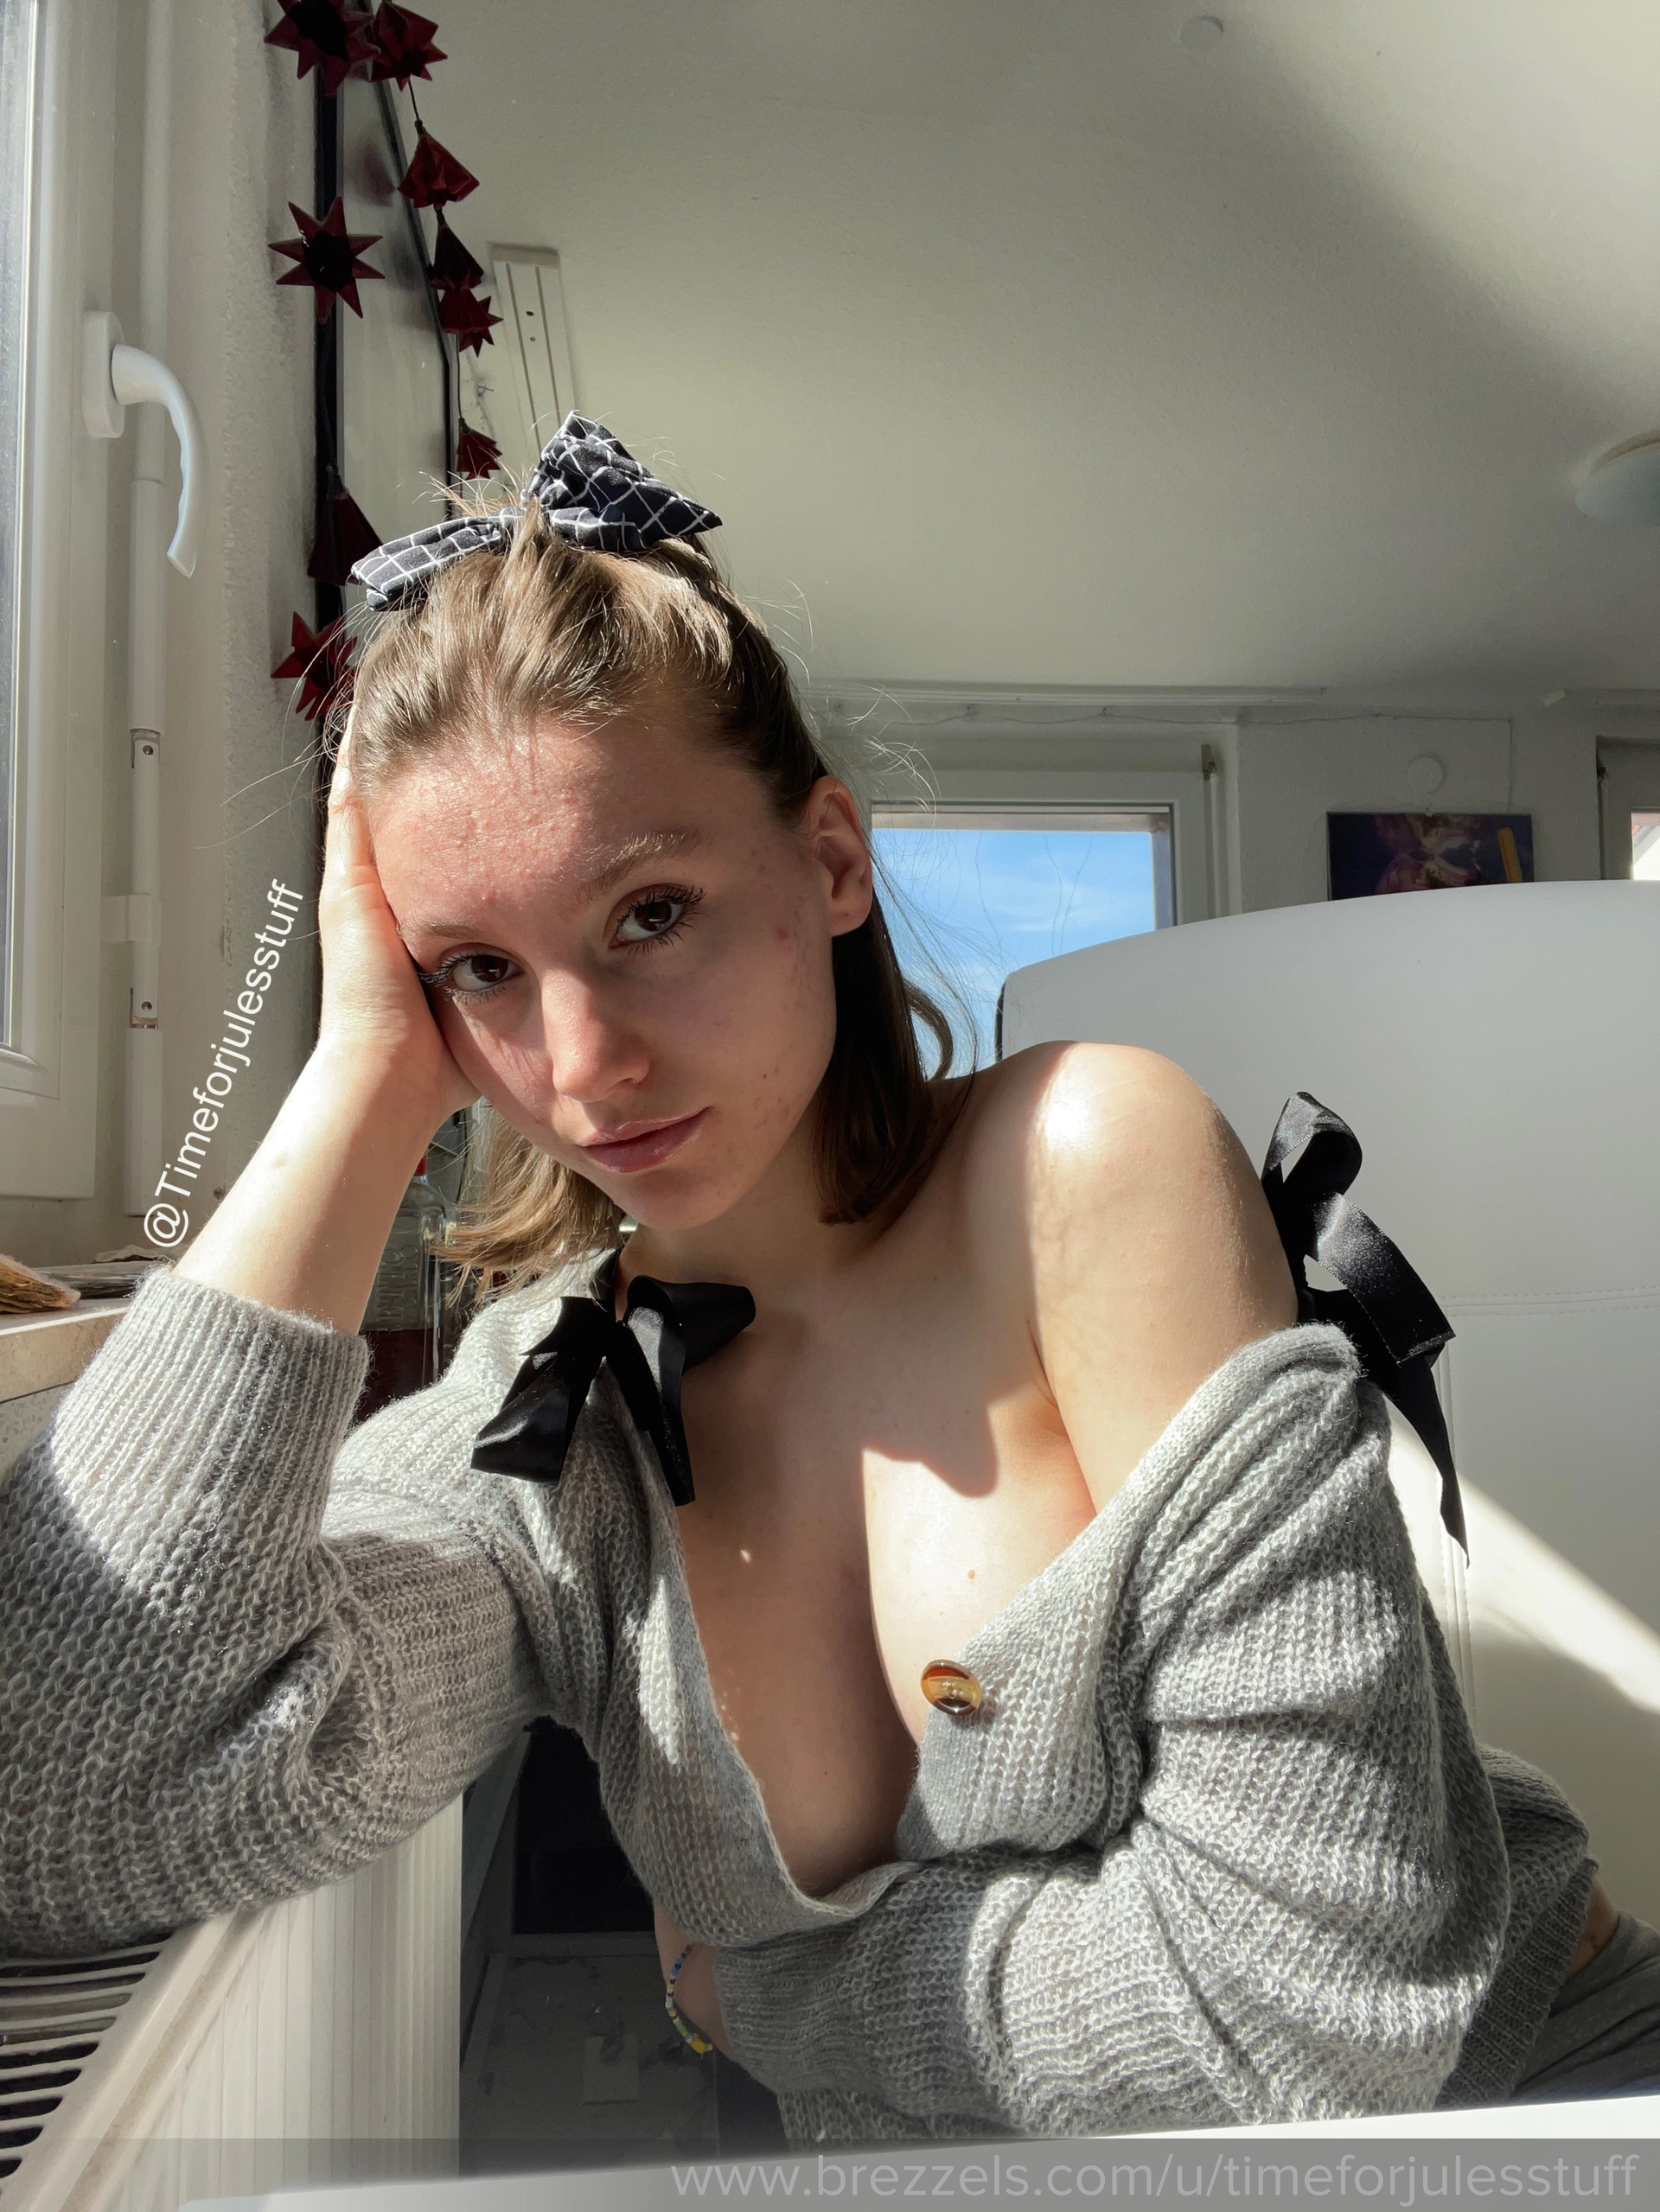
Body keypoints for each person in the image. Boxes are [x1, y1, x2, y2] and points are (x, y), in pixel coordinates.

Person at [1, 418, 1655, 2150]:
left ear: (835, 860)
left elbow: (1319, 2013)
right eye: (480, 970)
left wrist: (771, 1997)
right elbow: (61, 1800)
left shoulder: (1082, 1167)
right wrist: (357, 1081)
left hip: (1539, 2127)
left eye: (651, 913)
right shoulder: (558, 1415)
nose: (582, 1064)